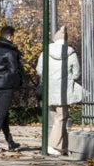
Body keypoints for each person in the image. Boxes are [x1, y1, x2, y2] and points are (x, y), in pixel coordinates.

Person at [35, 26, 82, 156]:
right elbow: (77, 73)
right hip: (63, 90)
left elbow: (39, 70)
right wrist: (68, 78)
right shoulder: (71, 53)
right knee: (61, 118)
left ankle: (63, 148)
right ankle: (51, 145)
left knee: (57, 119)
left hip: (49, 90)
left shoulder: (45, 52)